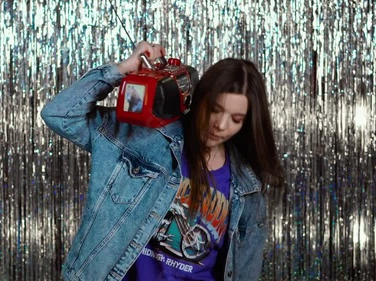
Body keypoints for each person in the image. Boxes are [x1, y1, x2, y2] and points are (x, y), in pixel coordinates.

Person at [41, 41, 284, 281]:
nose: (220, 125)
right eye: (214, 109)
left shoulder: (247, 188)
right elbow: (60, 114)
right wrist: (122, 69)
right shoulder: (146, 137)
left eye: (236, 119)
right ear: (198, 100)